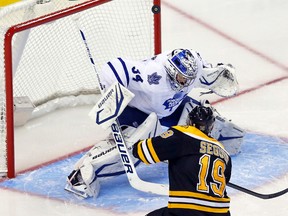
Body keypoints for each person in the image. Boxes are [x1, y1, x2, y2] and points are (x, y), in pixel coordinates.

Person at [65, 48, 243, 198]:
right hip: (138, 112)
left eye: (189, 78)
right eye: (182, 78)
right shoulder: (153, 74)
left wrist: (221, 75)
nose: (186, 82)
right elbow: (113, 67)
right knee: (132, 152)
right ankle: (82, 176)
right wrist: (112, 92)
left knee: (208, 120)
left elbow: (208, 76)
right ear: (172, 71)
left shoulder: (193, 66)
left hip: (171, 108)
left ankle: (225, 138)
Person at [132, 103, 232, 216]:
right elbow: (225, 180)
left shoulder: (183, 134)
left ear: (189, 121)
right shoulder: (223, 151)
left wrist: (134, 146)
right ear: (211, 127)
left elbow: (144, 152)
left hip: (188, 211)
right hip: (221, 213)